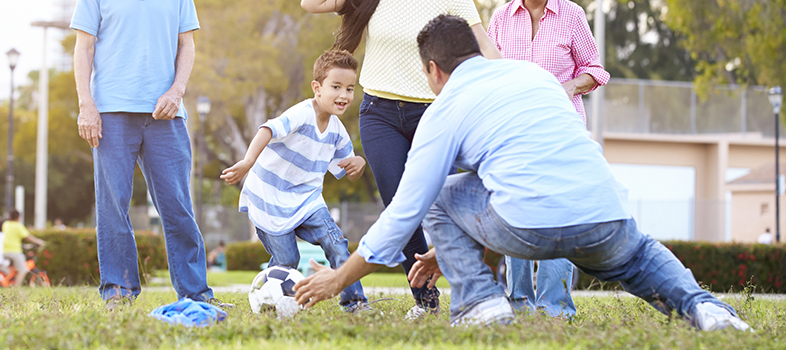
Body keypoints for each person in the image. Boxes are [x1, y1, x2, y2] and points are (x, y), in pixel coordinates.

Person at [294, 15, 751, 332]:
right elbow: (527, 173)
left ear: (432, 70)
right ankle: (708, 310)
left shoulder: (443, 111)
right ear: (475, 51)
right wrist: (450, 247)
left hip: (526, 229)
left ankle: (479, 303)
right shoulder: (536, 78)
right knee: (641, 256)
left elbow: (405, 212)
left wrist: (338, 278)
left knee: (435, 192)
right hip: (604, 216)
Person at [301, 0, 502, 320]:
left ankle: (477, 296)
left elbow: (484, 45)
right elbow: (310, 4)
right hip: (380, 114)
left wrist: (507, 84)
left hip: (435, 113)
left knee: (443, 207)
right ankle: (426, 301)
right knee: (399, 207)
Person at [71, 0, 226, 310]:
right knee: (113, 206)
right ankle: (119, 292)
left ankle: (196, 294)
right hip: (111, 110)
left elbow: (187, 44)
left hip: (166, 112)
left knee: (178, 206)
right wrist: (86, 105)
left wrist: (177, 90)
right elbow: (83, 47)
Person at [486, 0, 610, 318]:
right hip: (513, 132)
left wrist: (568, 87)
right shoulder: (501, 17)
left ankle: (555, 307)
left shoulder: (571, 15)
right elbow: (487, 72)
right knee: (516, 213)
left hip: (560, 132)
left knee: (558, 216)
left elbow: (595, 70)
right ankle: (519, 303)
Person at [221, 50, 371, 313]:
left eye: (349, 89)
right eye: (336, 87)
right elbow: (267, 129)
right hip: (270, 197)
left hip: (307, 199)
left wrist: (359, 163)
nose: (344, 95)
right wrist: (247, 162)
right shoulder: (302, 113)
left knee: (337, 243)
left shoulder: (337, 131)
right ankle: (266, 301)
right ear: (317, 88)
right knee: (288, 260)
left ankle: (355, 304)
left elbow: (350, 171)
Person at [1, 209, 45, 287]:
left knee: (14, 269)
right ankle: (16, 288)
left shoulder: (6, 224)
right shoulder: (18, 226)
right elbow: (27, 236)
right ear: (19, 218)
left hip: (4, 251)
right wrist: (39, 242)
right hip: (14, 251)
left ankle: (9, 281)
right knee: (23, 270)